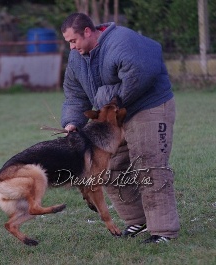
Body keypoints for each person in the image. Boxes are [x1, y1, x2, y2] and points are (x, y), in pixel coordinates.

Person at [60, 12, 180, 243]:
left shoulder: (123, 41)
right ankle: (137, 220)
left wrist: (108, 99)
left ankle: (163, 231)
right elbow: (75, 94)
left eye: (73, 41)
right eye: (69, 43)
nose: (72, 48)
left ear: (88, 31)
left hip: (147, 106)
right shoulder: (77, 58)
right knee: (109, 167)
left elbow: (140, 75)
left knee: (149, 165)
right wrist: (72, 122)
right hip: (112, 115)